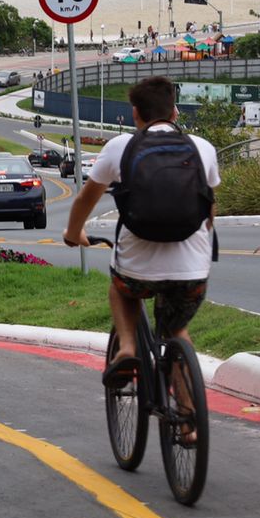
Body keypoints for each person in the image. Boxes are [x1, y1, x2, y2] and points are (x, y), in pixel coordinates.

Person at [63, 77, 220, 442]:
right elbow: (209, 207)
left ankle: (129, 348)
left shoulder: (120, 146)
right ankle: (187, 418)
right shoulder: (202, 148)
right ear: (175, 111)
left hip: (137, 268)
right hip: (191, 269)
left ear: (135, 113)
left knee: (121, 289)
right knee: (177, 329)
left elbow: (86, 199)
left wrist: (74, 234)